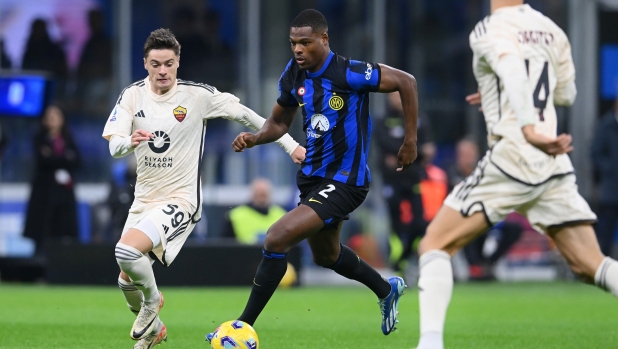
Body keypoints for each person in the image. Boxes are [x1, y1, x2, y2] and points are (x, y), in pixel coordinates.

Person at [206, 9, 419, 342]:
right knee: (327, 256)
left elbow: (406, 82)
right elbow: (279, 123)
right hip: (311, 178)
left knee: (276, 238)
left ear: (324, 39)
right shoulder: (294, 75)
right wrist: (255, 137)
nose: (298, 50)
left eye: (305, 42)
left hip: (347, 181)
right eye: (293, 43)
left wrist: (410, 140)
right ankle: (385, 288)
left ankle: (240, 326)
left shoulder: (349, 72)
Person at [414, 1, 615, 348]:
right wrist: (503, 94)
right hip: (552, 164)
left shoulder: (488, 28)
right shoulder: (552, 29)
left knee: (435, 243)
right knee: (590, 265)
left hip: (515, 155)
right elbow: (566, 94)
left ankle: (429, 343)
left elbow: (511, 67)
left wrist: (526, 124)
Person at [102, 28, 305, 349]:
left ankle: (153, 303)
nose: (163, 71)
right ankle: (155, 328)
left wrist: (290, 144)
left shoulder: (197, 96)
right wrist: (129, 141)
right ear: (145, 64)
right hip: (144, 199)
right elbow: (114, 148)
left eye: (169, 63)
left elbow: (248, 117)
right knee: (125, 278)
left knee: (125, 251)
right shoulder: (131, 96)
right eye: (156, 64)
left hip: (181, 199)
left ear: (178, 62)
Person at [448, 138, 522, 280]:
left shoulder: (484, 174)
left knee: (514, 229)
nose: (468, 157)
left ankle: (489, 262)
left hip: (485, 218)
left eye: (471, 153)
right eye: (464, 154)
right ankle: (475, 267)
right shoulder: (450, 174)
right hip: (460, 220)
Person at [374, 92, 429, 276]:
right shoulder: (383, 120)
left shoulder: (417, 118)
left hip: (413, 178)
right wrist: (413, 151)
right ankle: (397, 265)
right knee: (396, 224)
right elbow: (384, 143)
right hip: (391, 180)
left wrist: (402, 153)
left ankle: (403, 258)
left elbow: (428, 148)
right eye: (395, 95)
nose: (398, 98)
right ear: (389, 97)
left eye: (401, 94)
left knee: (420, 223)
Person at [23, 105, 80, 257]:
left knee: (63, 230)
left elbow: (77, 160)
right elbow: (43, 161)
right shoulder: (39, 138)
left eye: (56, 116)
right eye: (49, 117)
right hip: (44, 194)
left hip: (63, 195)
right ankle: (39, 266)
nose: (52, 120)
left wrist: (54, 158)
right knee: (42, 230)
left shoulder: (68, 138)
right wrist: (64, 159)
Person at [220, 178, 287, 244]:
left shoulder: (281, 215)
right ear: (252, 194)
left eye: (264, 195)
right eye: (260, 195)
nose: (262, 199)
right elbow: (225, 245)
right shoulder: (234, 216)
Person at [591, 95, 618, 256]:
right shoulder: (605, 125)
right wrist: (611, 170)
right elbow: (596, 154)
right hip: (611, 192)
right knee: (605, 237)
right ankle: (602, 273)